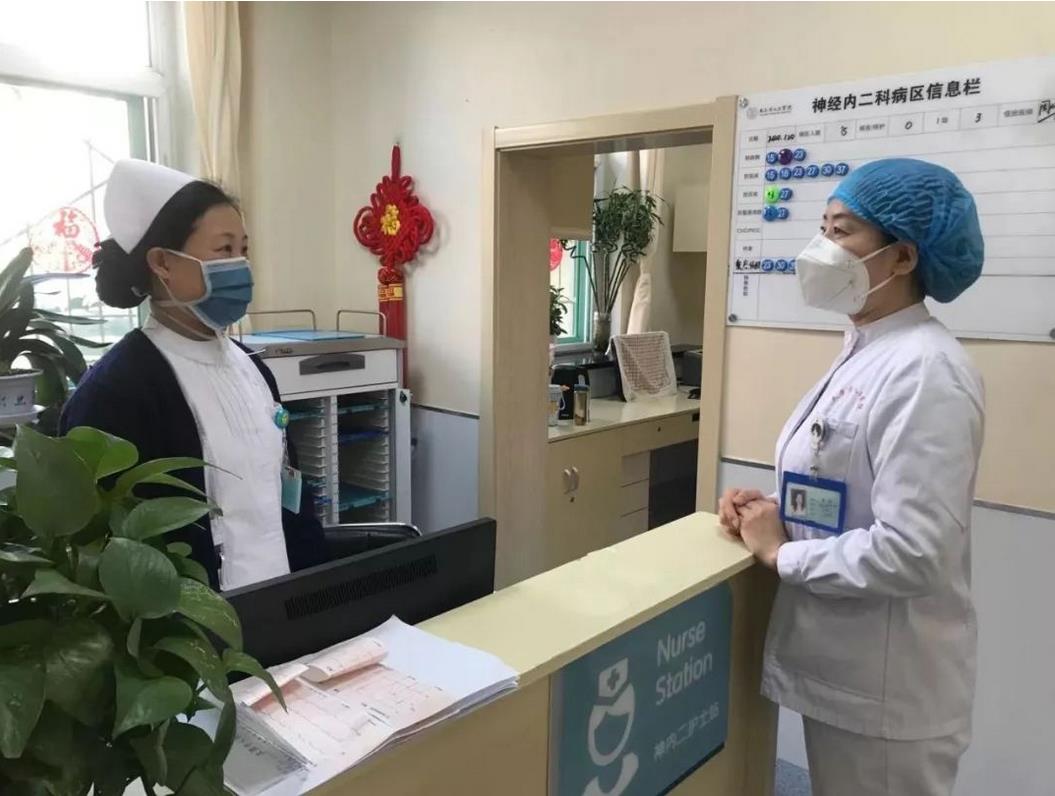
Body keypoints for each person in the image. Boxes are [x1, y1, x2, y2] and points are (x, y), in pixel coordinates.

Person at [718, 159, 985, 795]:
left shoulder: (926, 371)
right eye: (823, 228)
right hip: (851, 674)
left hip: (887, 689)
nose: (821, 247)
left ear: (902, 257)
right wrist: (772, 508)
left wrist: (782, 554)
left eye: (841, 231)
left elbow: (914, 552)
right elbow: (851, 483)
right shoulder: (870, 350)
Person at [61, 159, 327, 591]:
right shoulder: (116, 390)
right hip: (195, 621)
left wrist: (318, 595)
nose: (241, 266)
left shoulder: (252, 368)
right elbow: (107, 547)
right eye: (224, 250)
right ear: (163, 262)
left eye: (243, 250)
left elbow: (289, 496)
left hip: (284, 603)